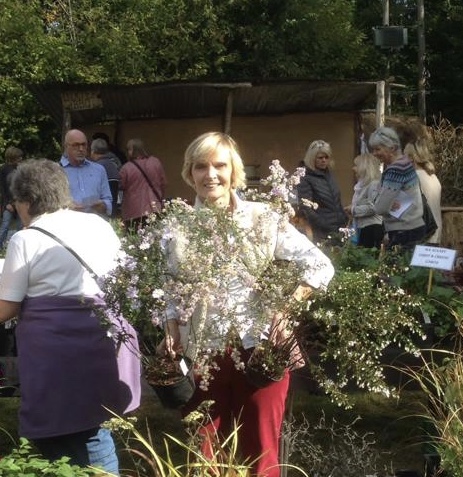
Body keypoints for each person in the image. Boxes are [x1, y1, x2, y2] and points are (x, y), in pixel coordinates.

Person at [161, 132, 334, 477]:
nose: (210, 174)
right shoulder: (176, 225)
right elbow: (170, 287)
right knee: (204, 454)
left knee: (261, 454)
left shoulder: (261, 218)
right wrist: (170, 330)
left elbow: (320, 265)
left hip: (260, 349)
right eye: (200, 166)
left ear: (233, 170)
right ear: (189, 172)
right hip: (202, 354)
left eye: (219, 165)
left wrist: (285, 307)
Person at [0, 159, 141, 474]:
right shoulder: (97, 224)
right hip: (103, 341)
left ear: (26, 200)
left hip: (57, 352)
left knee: (70, 436)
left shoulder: (26, 238)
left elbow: (7, 306)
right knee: (94, 427)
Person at [370, 126, 426, 250]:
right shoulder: (406, 163)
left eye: (378, 149)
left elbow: (380, 208)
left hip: (403, 231)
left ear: (392, 148)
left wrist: (379, 199)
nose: (374, 154)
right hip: (415, 226)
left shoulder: (395, 170)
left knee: (398, 268)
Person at [296, 139, 348, 244]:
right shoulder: (305, 178)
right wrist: (323, 224)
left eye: (326, 157)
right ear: (312, 158)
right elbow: (306, 207)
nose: (324, 160)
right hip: (321, 232)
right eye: (320, 158)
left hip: (339, 228)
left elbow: (336, 200)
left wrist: (343, 218)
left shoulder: (328, 175)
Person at [60, 129, 113, 217]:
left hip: (95, 224)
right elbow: (49, 205)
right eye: (76, 145)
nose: (81, 149)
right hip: (68, 225)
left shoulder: (99, 170)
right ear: (66, 146)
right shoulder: (57, 172)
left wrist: (102, 205)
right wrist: (67, 207)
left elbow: (108, 200)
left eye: (83, 145)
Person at [119, 138, 166, 231]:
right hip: (155, 208)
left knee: (135, 241)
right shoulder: (155, 162)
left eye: (129, 149)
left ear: (132, 150)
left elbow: (120, 186)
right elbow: (163, 183)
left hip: (133, 211)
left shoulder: (126, 168)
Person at [404, 139, 442, 244]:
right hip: (435, 233)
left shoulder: (412, 178)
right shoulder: (434, 177)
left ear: (411, 158)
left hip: (420, 236)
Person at [344, 153, 384, 248]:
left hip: (371, 229)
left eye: (356, 165)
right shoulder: (363, 185)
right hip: (363, 228)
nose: (353, 168)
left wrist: (353, 210)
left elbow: (373, 208)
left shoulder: (374, 184)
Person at [90, 137, 121, 217]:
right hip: (114, 208)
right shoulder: (114, 164)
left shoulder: (96, 168)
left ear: (93, 151)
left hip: (100, 210)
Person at [0, 146, 23, 249]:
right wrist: (7, 204)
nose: (21, 159)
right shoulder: (4, 170)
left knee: (20, 227)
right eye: (19, 157)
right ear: (13, 157)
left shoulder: (19, 169)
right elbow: (3, 190)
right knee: (4, 227)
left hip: (19, 202)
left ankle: (19, 248)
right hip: (8, 204)